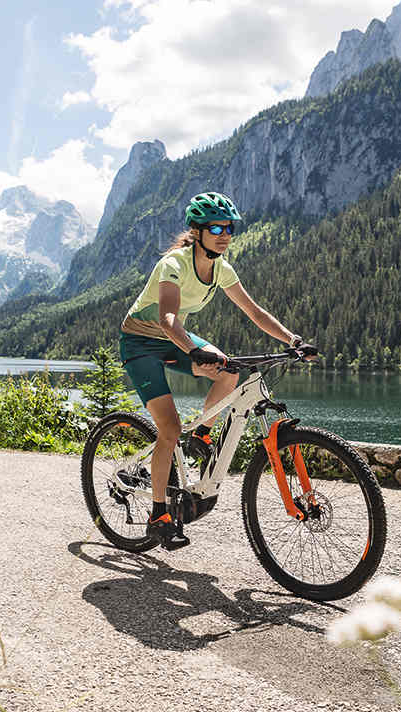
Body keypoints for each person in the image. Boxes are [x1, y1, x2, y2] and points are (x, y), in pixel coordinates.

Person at [119, 191, 312, 550]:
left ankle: (203, 433)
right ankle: (159, 515)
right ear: (197, 231)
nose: (225, 234)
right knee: (169, 428)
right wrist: (193, 350)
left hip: (174, 338)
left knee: (229, 369)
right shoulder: (174, 264)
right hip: (141, 342)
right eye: (216, 228)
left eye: (229, 228)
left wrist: (293, 340)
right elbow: (167, 317)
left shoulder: (221, 267)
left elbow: (254, 312)